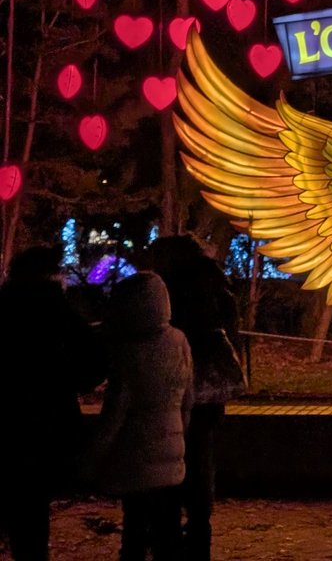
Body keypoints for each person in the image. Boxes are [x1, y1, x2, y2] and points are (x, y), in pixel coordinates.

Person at [141, 236, 245, 561]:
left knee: (170, 460)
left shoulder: (170, 290)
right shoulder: (217, 287)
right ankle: (199, 533)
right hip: (208, 391)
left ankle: (168, 537)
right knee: (200, 458)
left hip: (173, 386)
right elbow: (232, 333)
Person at [0, 245, 106, 561]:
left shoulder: (4, 309)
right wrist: (65, 382)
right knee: (31, 510)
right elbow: (94, 366)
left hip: (4, 420)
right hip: (46, 424)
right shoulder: (61, 315)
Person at [81, 270, 192, 561]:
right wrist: (182, 434)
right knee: (168, 533)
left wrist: (93, 457)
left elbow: (116, 412)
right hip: (173, 453)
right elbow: (188, 398)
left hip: (136, 455)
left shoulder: (129, 352)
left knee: (135, 531)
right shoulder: (179, 341)